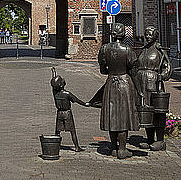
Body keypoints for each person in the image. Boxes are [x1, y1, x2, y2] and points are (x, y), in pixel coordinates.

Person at [95, 22, 139, 159]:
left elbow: (103, 70)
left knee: (112, 116)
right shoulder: (128, 50)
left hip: (111, 83)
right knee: (123, 117)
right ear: (124, 34)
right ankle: (122, 149)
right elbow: (133, 70)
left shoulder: (104, 49)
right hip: (125, 83)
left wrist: (111, 70)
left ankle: (113, 148)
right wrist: (139, 90)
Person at [133, 25, 172, 151]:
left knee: (157, 112)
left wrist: (163, 75)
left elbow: (167, 66)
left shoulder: (159, 50)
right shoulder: (143, 49)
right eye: (146, 34)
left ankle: (160, 140)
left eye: (150, 34)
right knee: (146, 110)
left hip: (154, 82)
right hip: (141, 82)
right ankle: (149, 139)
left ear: (156, 35)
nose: (148, 36)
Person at [50, 67, 89, 152]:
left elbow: (53, 84)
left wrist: (53, 72)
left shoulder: (55, 93)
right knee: (72, 131)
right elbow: (77, 100)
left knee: (57, 131)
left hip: (59, 113)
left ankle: (56, 146)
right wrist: (85, 104)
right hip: (67, 113)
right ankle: (76, 147)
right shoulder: (67, 94)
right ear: (62, 84)